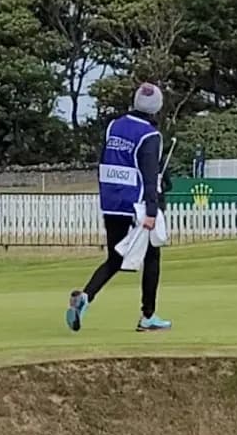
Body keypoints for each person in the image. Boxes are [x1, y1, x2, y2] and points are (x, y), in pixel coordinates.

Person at [65, 83, 172, 333]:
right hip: (136, 205)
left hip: (112, 201)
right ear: (157, 107)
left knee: (115, 258)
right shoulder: (150, 135)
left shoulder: (114, 126)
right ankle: (148, 316)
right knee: (153, 255)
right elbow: (149, 175)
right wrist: (152, 211)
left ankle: (86, 297)